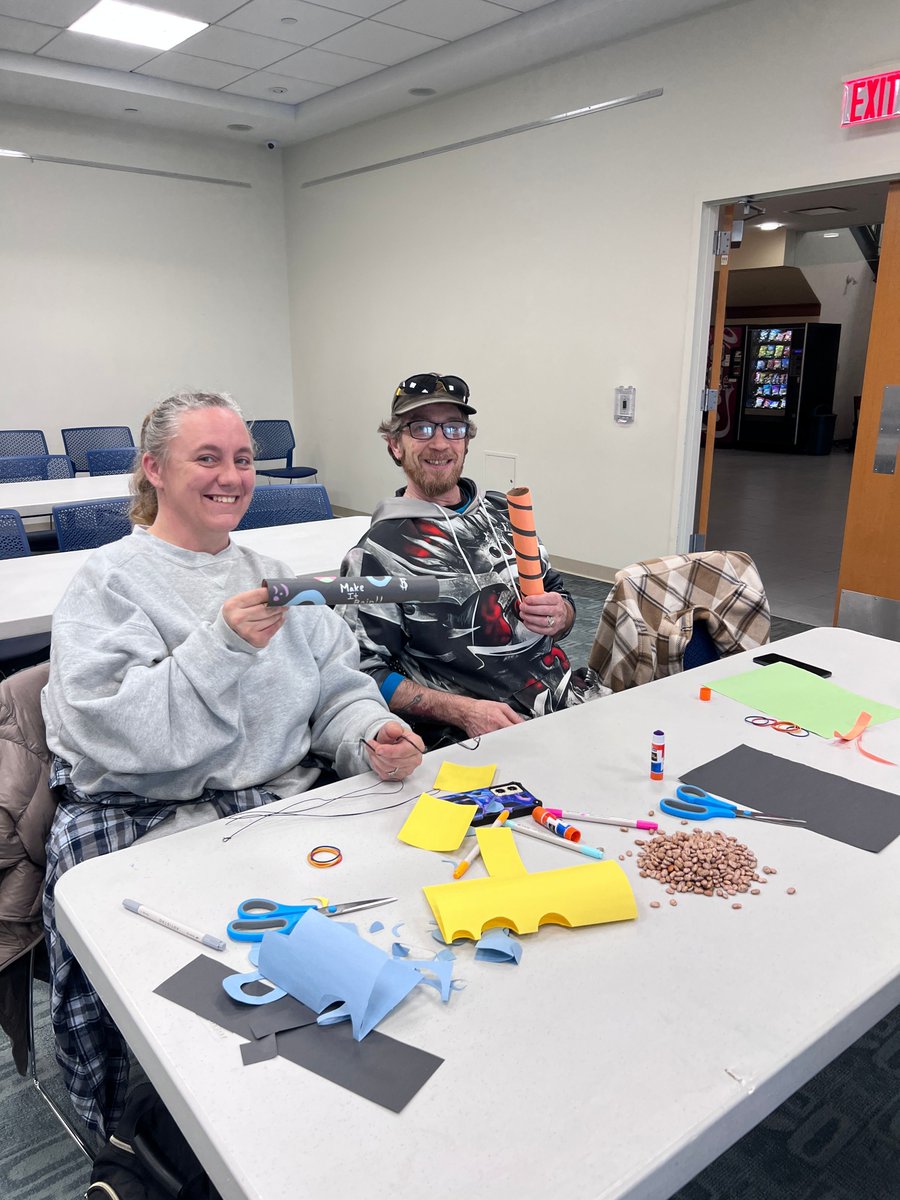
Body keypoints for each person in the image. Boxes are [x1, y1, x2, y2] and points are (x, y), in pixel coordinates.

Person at [42, 391, 422, 1139]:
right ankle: (157, 1135)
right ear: (152, 469)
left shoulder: (275, 573)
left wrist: (370, 732)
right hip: (146, 813)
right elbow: (121, 737)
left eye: (243, 459)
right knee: (197, 1015)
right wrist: (220, 646)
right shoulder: (108, 583)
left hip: (279, 801)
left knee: (374, 949)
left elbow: (336, 691)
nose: (232, 476)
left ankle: (312, 1125)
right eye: (207, 458)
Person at [340, 372, 591, 745]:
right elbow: (361, 671)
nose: (440, 443)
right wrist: (462, 710)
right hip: (478, 737)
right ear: (394, 444)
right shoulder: (378, 552)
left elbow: (559, 596)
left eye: (454, 428)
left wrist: (561, 614)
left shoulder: (505, 512)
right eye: (421, 428)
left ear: (467, 440)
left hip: (567, 703)